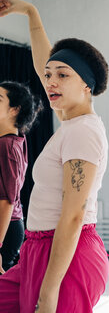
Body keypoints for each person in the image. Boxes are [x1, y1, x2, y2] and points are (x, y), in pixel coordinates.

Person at [0, 0, 109, 313]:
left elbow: (73, 216)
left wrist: (49, 293)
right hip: (36, 248)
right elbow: (44, 63)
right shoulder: (72, 122)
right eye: (48, 76)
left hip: (66, 255)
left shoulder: (82, 132)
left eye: (62, 75)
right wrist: (31, 13)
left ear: (86, 85)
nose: (50, 81)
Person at [0, 81, 42, 273]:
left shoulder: (6, 146)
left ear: (14, 110)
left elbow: (7, 200)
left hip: (6, 226)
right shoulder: (17, 138)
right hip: (10, 225)